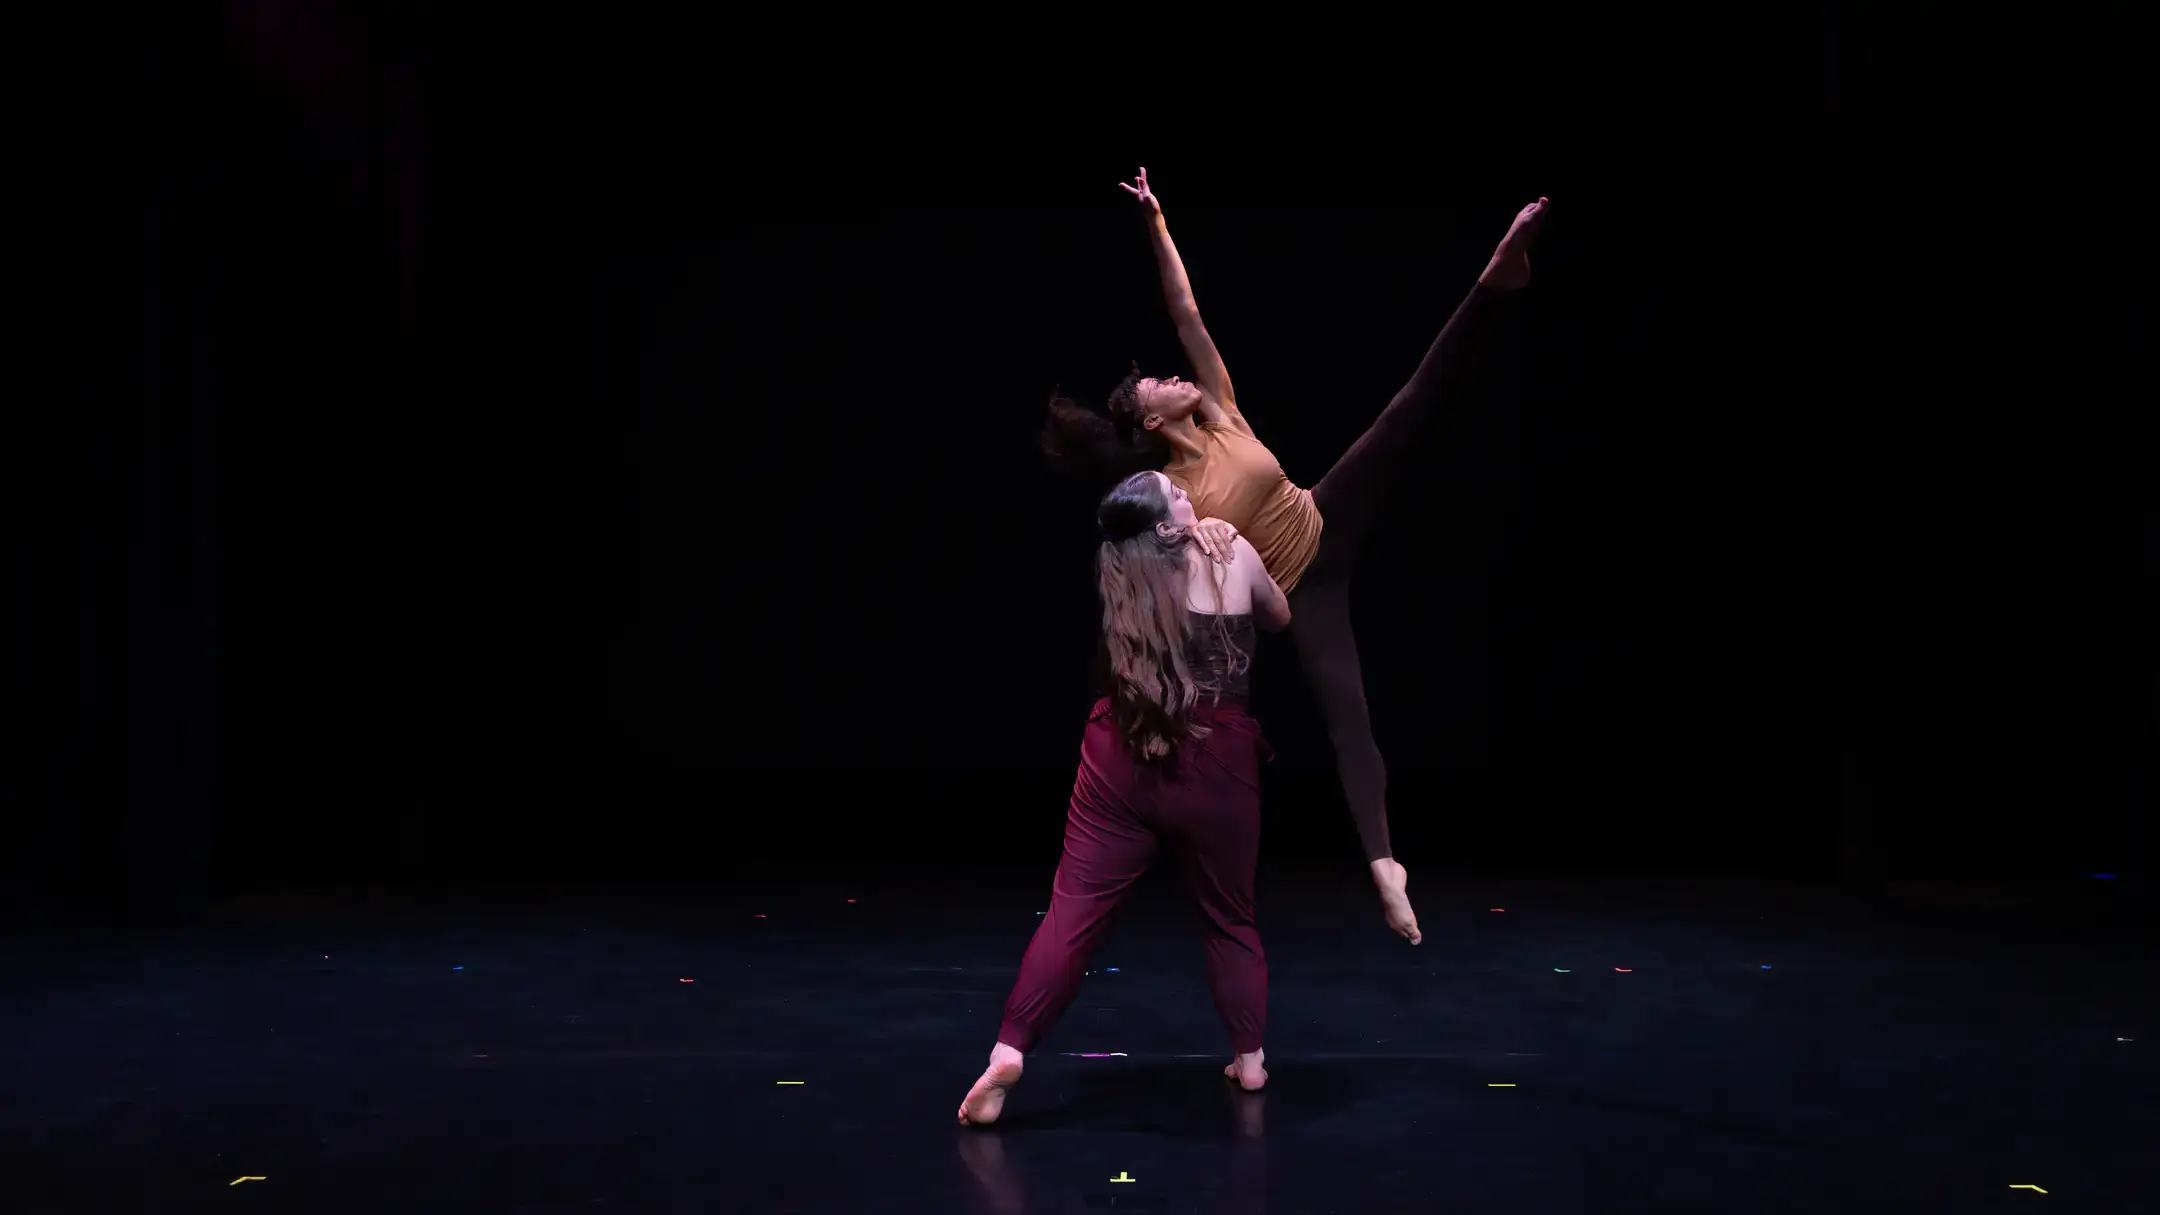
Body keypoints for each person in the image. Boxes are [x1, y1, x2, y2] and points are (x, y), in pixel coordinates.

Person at [1042, 168, 1549, 946]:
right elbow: (1159, 566)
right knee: (1350, 716)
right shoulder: (1169, 491)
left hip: (1322, 513)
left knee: (1411, 403)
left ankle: (1495, 278)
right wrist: (1201, 541)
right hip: (1297, 594)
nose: (1179, 377)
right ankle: (1385, 865)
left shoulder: (1221, 411)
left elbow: (1187, 310)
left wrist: (1156, 222)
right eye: (1161, 384)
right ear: (1149, 418)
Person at [957, 470, 1293, 1126]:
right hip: (1215, 759)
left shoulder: (1121, 569)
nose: (1195, 498)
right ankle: (1250, 1060)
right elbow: (1279, 615)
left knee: (1071, 912)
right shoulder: (1230, 553)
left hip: (1124, 751)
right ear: (1167, 526)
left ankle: (1008, 1049)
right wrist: (1241, 543)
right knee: (1230, 916)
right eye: (1181, 495)